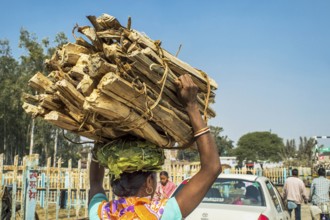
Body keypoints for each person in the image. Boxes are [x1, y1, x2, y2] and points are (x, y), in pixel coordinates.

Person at [88, 74, 222, 219]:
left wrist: (101, 130)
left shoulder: (100, 213)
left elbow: (95, 183)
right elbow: (212, 168)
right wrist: (191, 105)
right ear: (149, 182)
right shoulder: (162, 214)